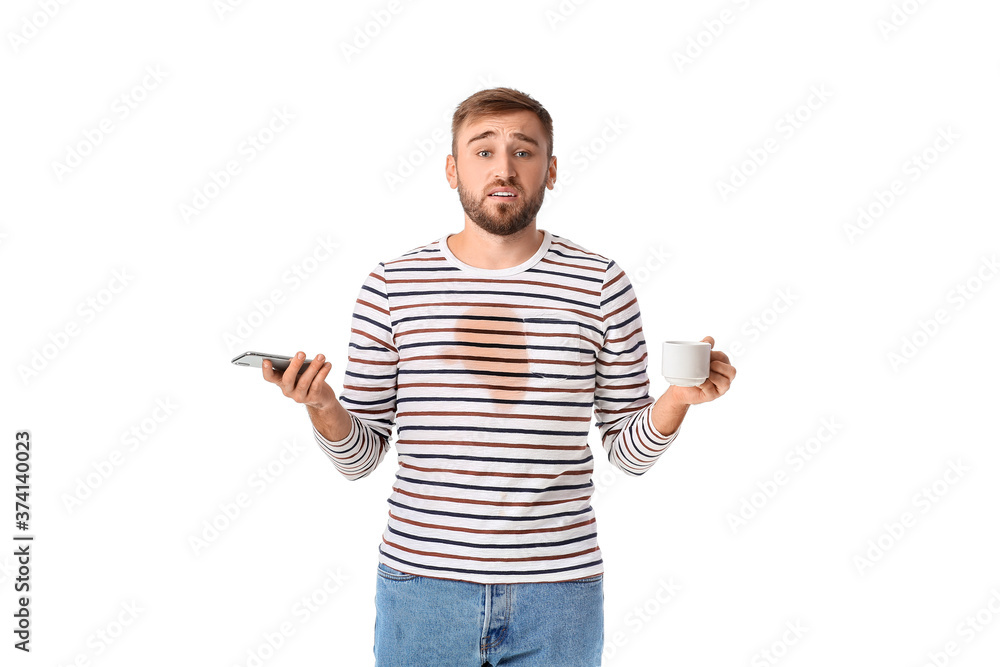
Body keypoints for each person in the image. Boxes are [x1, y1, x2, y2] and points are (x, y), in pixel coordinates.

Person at [262, 87, 736, 666]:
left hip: (559, 593)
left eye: (524, 151)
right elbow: (358, 461)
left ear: (551, 170)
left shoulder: (601, 285)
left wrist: (678, 399)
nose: (504, 168)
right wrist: (323, 406)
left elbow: (627, 452)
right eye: (483, 152)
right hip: (422, 589)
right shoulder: (392, 286)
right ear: (451, 168)